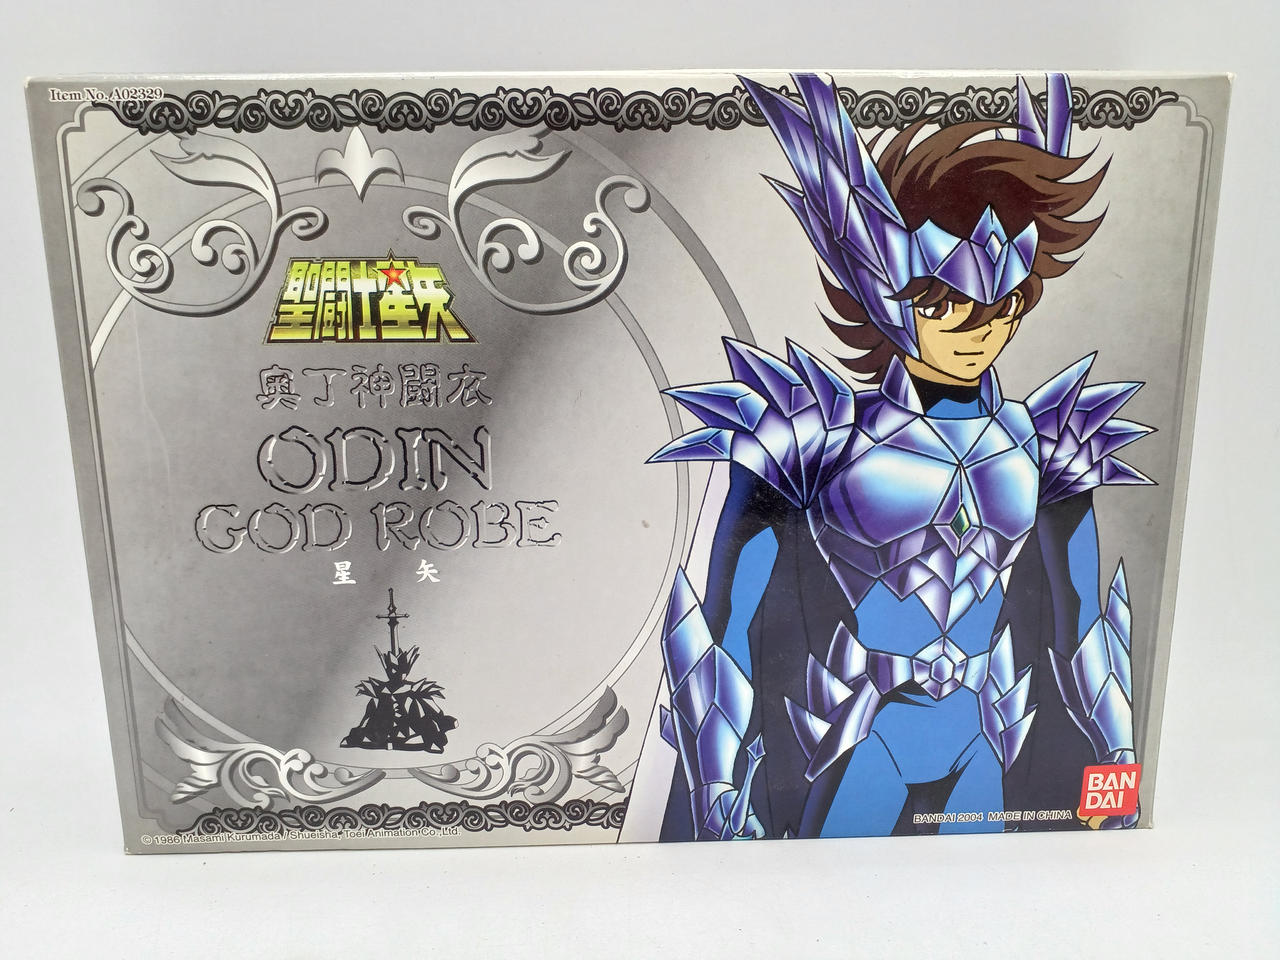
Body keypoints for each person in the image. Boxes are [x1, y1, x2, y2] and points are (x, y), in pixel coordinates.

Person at [649, 73, 1151, 839]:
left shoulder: (1046, 441)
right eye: (942, 303)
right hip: (862, 732)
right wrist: (718, 785)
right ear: (880, 291)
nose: (977, 329)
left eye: (1002, 304)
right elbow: (723, 626)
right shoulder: (815, 437)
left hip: (983, 733)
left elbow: (1085, 623)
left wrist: (1118, 762)